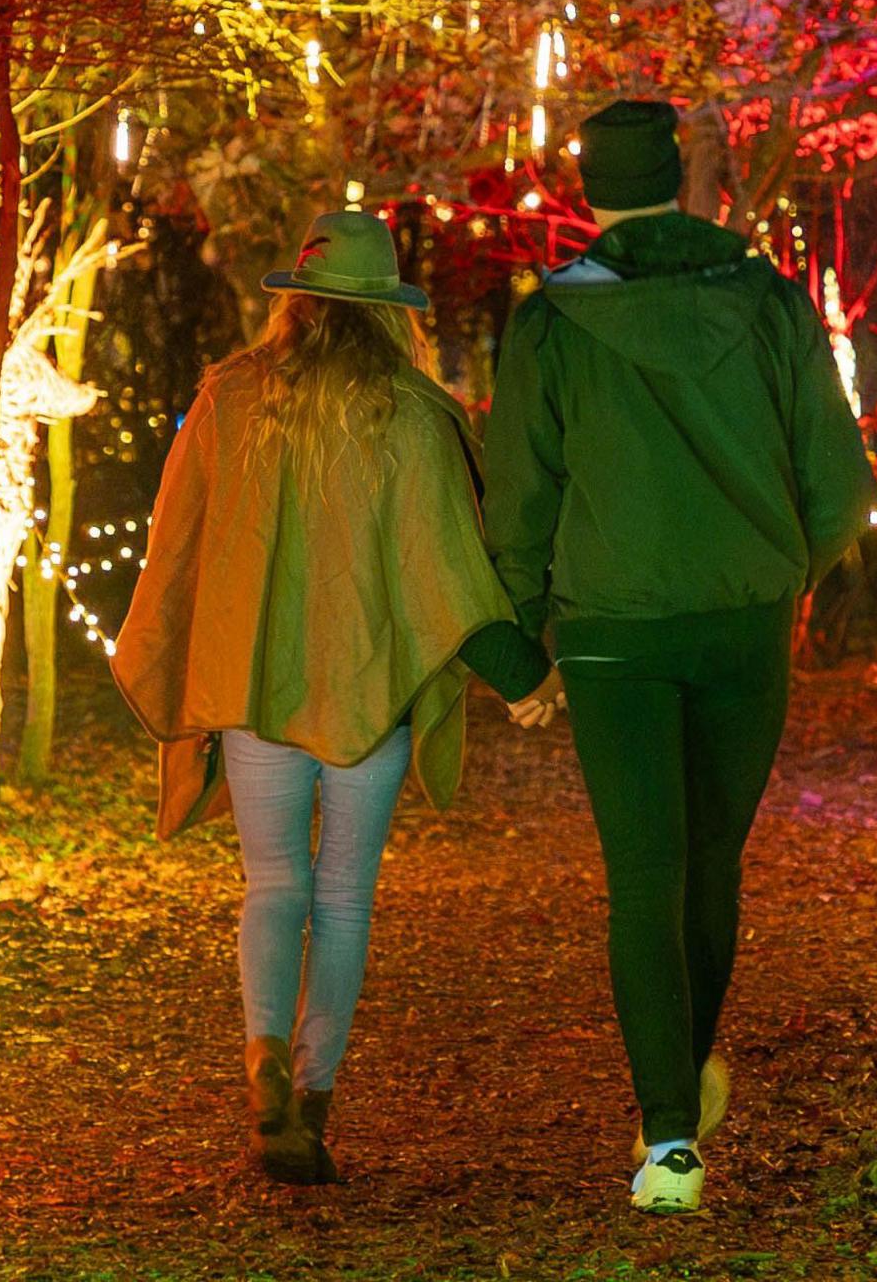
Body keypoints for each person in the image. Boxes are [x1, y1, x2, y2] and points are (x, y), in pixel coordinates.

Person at [483, 100, 876, 1215]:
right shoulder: (766, 302)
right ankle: (687, 1073)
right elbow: (839, 484)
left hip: (610, 625)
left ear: (587, 193)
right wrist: (781, 569)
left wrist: (522, 634)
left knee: (643, 874)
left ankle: (667, 1142)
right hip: (742, 617)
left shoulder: (550, 322)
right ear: (682, 182)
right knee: (711, 862)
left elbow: (518, 493)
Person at [112, 211, 559, 1185]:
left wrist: (177, 655)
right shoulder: (414, 412)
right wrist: (521, 674)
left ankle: (263, 1062)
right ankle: (311, 1101)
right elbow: (447, 567)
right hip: (371, 699)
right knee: (344, 898)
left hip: (255, 689)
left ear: (297, 303)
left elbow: (177, 544)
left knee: (273, 887)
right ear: (386, 310)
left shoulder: (230, 398)